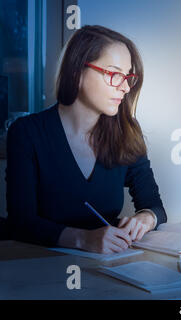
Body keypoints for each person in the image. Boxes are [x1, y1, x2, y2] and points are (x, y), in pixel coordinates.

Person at [5, 25, 167, 254]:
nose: (125, 88)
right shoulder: (27, 133)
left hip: (108, 270)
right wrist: (83, 239)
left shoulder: (127, 131)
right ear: (77, 72)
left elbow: (155, 206)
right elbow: (21, 223)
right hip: (40, 269)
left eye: (128, 76)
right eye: (113, 74)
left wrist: (146, 218)